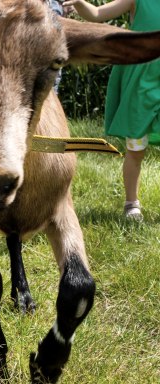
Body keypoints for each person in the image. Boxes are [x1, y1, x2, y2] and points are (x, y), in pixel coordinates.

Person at [63, 0, 160, 220]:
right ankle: (131, 203)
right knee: (136, 148)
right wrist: (79, 2)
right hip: (141, 83)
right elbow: (97, 14)